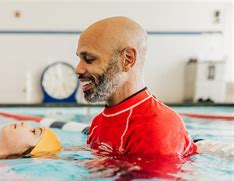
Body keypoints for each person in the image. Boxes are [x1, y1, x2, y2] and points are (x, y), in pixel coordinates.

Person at [75, 16, 197, 159]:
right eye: (79, 59)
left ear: (127, 59)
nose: (78, 69)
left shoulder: (156, 128)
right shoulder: (98, 123)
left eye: (89, 59)